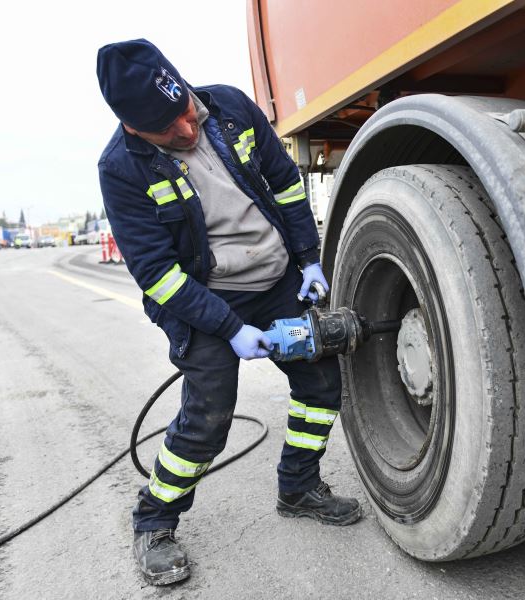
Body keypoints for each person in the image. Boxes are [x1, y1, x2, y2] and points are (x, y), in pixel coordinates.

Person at [96, 39, 360, 586]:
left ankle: (299, 487)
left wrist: (309, 260)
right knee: (207, 420)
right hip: (204, 299)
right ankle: (155, 520)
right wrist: (231, 328)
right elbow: (159, 277)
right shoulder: (122, 169)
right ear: (132, 129)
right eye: (168, 131)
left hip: (276, 278)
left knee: (320, 385)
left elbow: (286, 186)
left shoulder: (232, 106)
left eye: (185, 112)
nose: (187, 132)